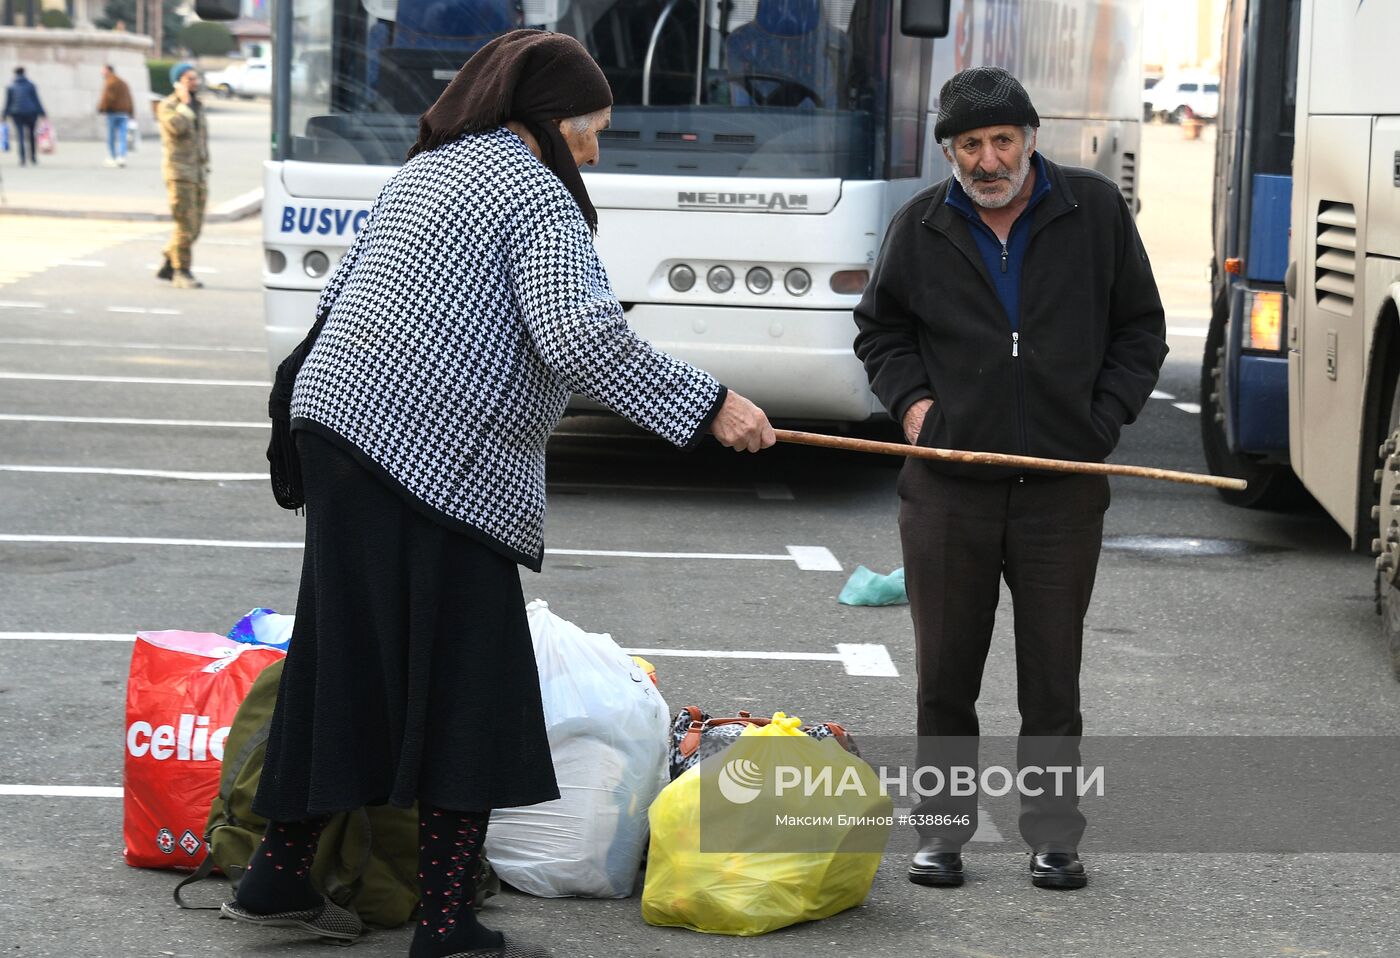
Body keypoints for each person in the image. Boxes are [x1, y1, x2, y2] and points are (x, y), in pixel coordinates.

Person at [218, 29, 775, 958]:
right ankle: (444, 925)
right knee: (470, 683)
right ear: (545, 122)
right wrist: (710, 405)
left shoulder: (427, 169)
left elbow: (333, 307)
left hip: (342, 433)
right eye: (587, 128)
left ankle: (279, 877)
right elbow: (579, 336)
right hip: (432, 459)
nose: (593, 149)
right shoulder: (532, 188)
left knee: (343, 663)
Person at [853, 67, 1167, 891]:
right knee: (945, 675)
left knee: (1051, 677)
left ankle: (1054, 836)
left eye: (1001, 140)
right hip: (948, 489)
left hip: (1061, 487)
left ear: (1030, 137)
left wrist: (1100, 423)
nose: (988, 159)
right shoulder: (918, 226)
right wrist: (917, 412)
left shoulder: (1093, 210)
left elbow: (1141, 328)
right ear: (950, 151)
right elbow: (881, 333)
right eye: (969, 145)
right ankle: (942, 835)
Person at [156, 62, 209, 289]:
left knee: (195, 227)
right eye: (189, 79)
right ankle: (181, 272)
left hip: (198, 173)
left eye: (196, 78)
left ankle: (171, 257)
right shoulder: (168, 106)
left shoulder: (199, 106)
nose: (194, 82)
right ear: (178, 82)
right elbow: (176, 128)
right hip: (179, 174)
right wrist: (185, 105)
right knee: (184, 225)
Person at [2, 67, 45, 167]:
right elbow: (36, 100)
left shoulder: (10, 86)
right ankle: (33, 157)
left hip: (17, 114)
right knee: (31, 135)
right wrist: (42, 113)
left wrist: (4, 115)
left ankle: (22, 158)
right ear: (24, 73)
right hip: (31, 113)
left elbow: (7, 103)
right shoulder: (31, 85)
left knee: (20, 136)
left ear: (15, 74)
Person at [97, 64, 134, 168]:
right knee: (123, 136)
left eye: (103, 71)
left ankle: (113, 157)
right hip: (124, 113)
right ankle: (121, 157)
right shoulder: (123, 83)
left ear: (108, 71)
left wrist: (101, 108)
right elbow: (129, 98)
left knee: (111, 136)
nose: (102, 73)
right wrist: (131, 112)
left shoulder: (110, 82)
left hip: (112, 112)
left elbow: (106, 98)